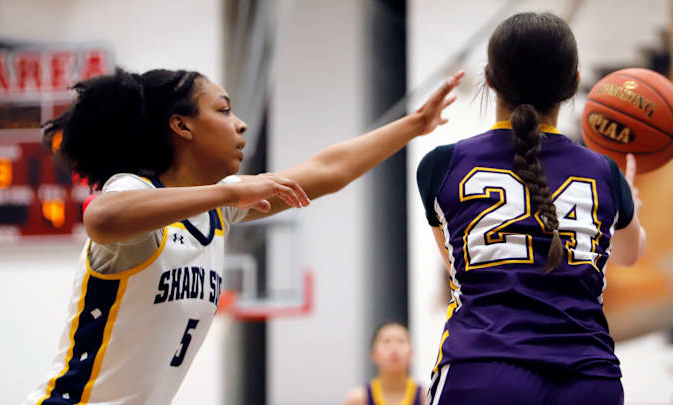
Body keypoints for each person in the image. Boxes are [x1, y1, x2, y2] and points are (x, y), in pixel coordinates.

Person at [24, 67, 463, 405]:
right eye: (223, 109)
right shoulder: (135, 192)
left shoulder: (217, 211)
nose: (241, 124)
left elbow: (329, 171)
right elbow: (101, 216)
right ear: (182, 126)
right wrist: (226, 191)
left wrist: (415, 124)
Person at [416, 12, 646, 405]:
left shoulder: (441, 166)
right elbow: (629, 253)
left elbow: (458, 267)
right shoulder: (605, 174)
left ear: (488, 78)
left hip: (483, 371)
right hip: (589, 378)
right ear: (574, 82)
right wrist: (631, 206)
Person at [344, 323, 425, 405]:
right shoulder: (358, 399)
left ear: (411, 353)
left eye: (401, 341)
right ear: (373, 353)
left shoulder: (426, 397)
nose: (394, 347)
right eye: (386, 341)